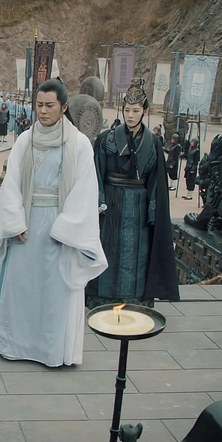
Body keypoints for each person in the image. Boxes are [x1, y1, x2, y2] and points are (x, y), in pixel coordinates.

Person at [0, 79, 107, 367]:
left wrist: (66, 228)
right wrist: (15, 222)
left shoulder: (78, 144)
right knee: (21, 288)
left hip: (59, 225)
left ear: (63, 107)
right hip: (26, 222)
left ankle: (50, 350)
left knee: (54, 291)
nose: (42, 111)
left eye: (49, 105)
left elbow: (85, 190)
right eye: (39, 105)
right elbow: (11, 183)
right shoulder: (25, 140)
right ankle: (13, 343)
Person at [87, 78, 179, 308]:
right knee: (108, 248)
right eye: (127, 110)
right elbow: (96, 173)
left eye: (136, 110)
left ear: (144, 111)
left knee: (138, 252)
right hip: (111, 202)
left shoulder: (153, 142)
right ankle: (103, 297)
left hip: (138, 206)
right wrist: (99, 202)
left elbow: (156, 181)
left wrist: (153, 210)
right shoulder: (107, 139)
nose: (130, 115)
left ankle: (135, 297)